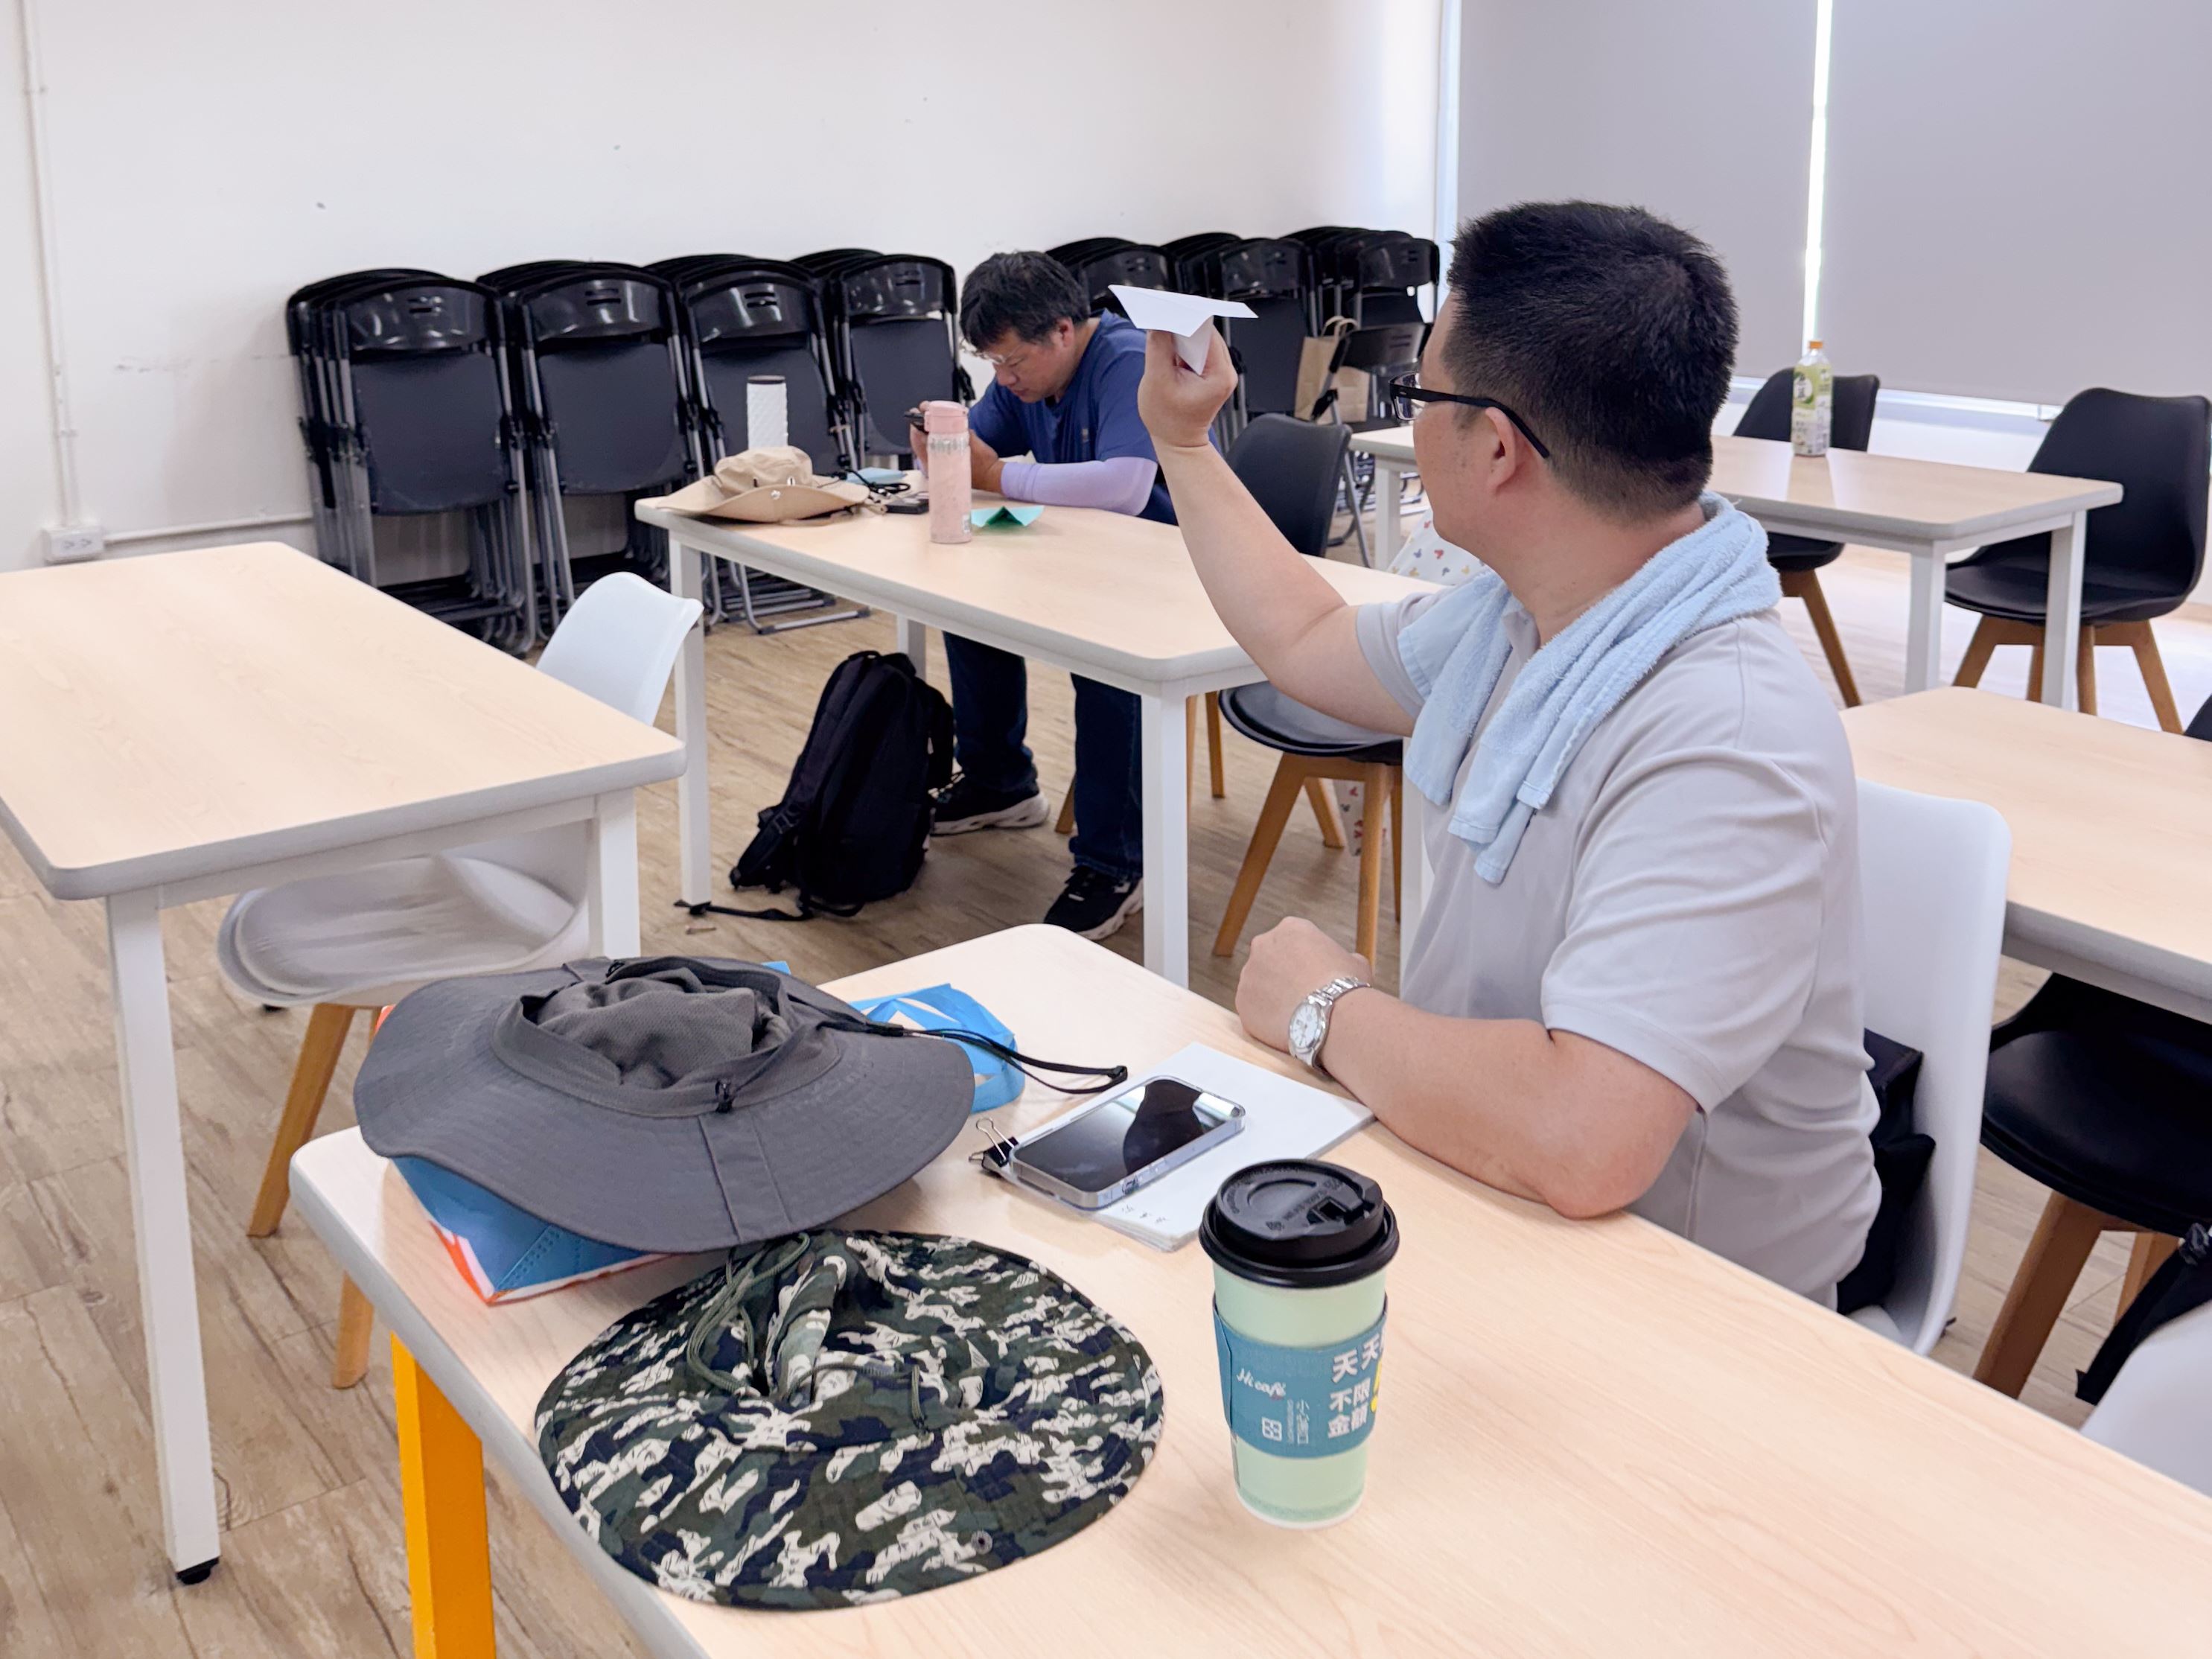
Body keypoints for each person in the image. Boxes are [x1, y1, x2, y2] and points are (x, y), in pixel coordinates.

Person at [1137, 202, 1878, 1304]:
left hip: (1693, 1304)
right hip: (1495, 1187)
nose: (1410, 419)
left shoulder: (1725, 739)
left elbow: (1584, 1138)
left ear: (1494, 447)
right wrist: (1184, 444)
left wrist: (1325, 1009)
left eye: (1419, 395)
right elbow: (1303, 637)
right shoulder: (1523, 621)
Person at [921, 251, 1179, 941]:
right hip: (1081, 552)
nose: (1004, 379)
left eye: (1011, 362)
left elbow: (1126, 487)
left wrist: (998, 477)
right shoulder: (1028, 380)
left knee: (1109, 664)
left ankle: (1115, 863)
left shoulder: (1128, 360)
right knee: (967, 603)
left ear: (1063, 330)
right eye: (992, 364)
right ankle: (999, 782)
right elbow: (975, 447)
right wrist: (939, 441)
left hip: (1166, 567)